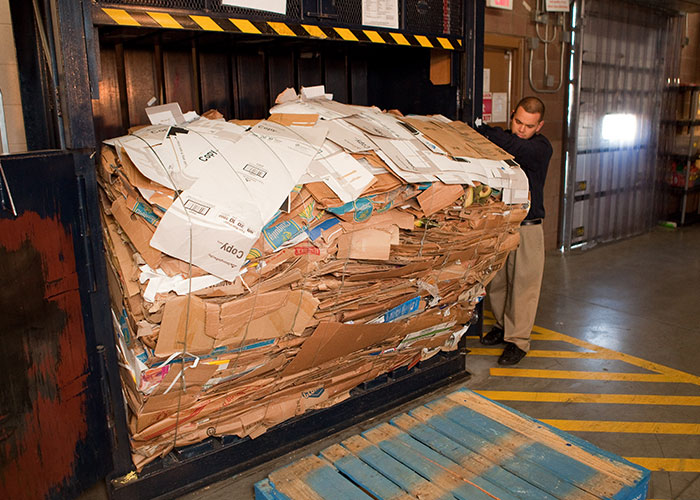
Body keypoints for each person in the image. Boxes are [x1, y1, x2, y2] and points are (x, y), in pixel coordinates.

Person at [477, 96, 553, 365]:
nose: (522, 129)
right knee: (497, 280)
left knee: (524, 286)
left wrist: (483, 129)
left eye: (529, 126)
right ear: (512, 115)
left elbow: (514, 145)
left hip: (528, 226)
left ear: (539, 126)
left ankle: (518, 341)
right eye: (518, 122)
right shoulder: (504, 139)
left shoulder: (541, 148)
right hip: (503, 223)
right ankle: (502, 326)